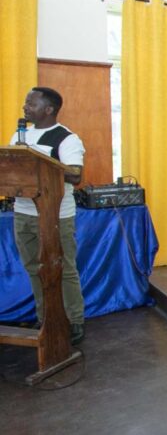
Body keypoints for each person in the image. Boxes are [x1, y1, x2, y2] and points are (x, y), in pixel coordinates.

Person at [12, 87, 86, 345]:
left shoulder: (67, 139)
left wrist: (38, 162)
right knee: (34, 268)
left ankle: (74, 320)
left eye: (31, 103)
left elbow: (75, 175)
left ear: (48, 109)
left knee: (64, 269)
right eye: (26, 102)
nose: (25, 107)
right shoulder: (19, 135)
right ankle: (45, 317)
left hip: (56, 216)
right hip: (23, 212)